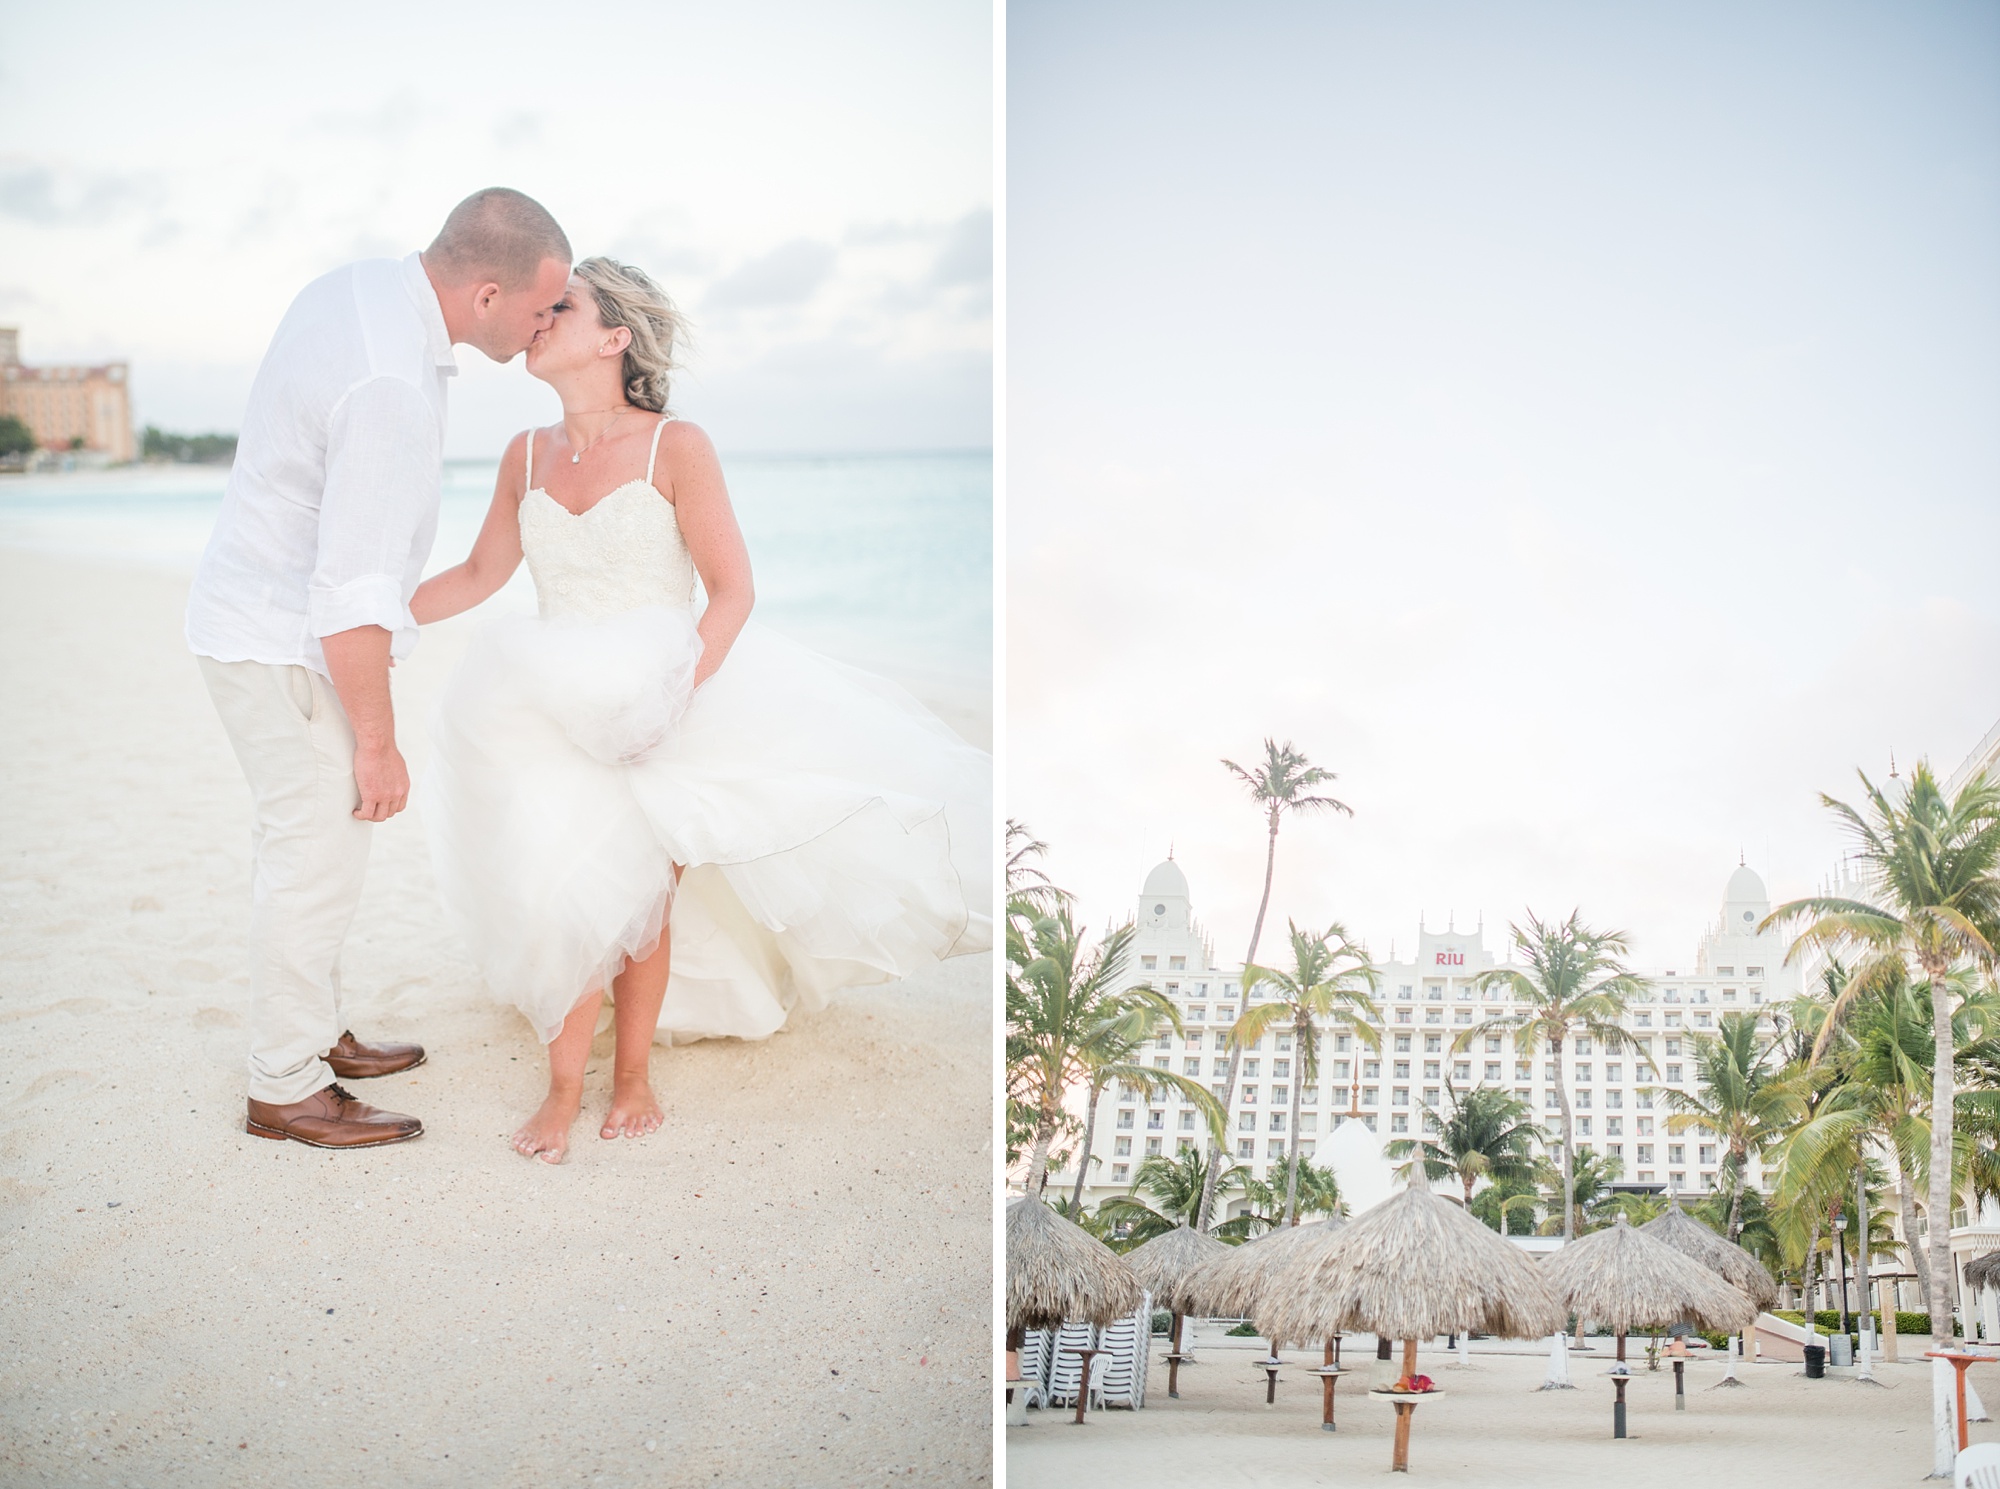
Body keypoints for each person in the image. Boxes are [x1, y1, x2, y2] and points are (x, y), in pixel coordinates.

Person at [412, 256, 991, 1163]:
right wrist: (374, 609)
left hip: (665, 688)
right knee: (560, 884)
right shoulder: (523, 454)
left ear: (615, 338)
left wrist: (671, 698)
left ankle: (632, 1075)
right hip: (540, 693)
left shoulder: (676, 446)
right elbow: (481, 574)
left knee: (643, 889)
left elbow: (730, 591)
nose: (538, 317)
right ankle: (564, 1086)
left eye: (561, 306)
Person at [186, 189, 572, 1149]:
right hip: (284, 639)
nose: (544, 326)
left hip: (247, 615)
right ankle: (285, 1083)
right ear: (486, 293)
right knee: (313, 860)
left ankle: (310, 1034)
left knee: (307, 850)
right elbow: (351, 590)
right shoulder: (392, 383)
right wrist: (378, 741)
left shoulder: (360, 288)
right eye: (539, 307)